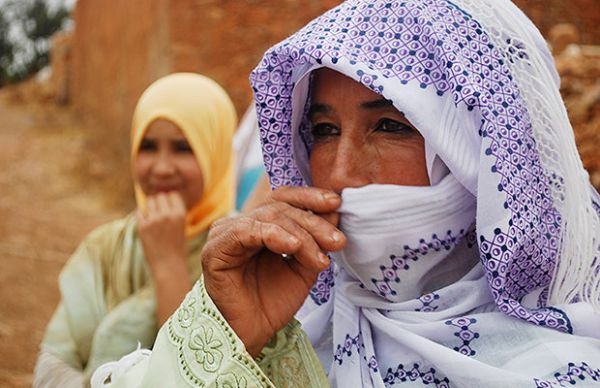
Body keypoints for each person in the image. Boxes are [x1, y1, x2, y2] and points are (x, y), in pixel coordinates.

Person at [94, 1, 600, 387]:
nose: (339, 173)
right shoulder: (296, 335)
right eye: (324, 130)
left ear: (481, 153)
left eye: (388, 126)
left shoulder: (563, 368)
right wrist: (232, 337)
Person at [33, 73, 237, 387]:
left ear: (216, 151)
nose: (161, 167)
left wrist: (169, 265)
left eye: (183, 148)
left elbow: (201, 375)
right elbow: (52, 365)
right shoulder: (105, 245)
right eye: (148, 146)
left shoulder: (241, 255)